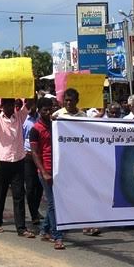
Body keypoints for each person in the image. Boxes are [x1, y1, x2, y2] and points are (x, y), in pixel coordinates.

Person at [51, 88, 100, 236]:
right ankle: (61, 224)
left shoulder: (83, 116)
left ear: (77, 101)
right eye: (66, 100)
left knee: (83, 193)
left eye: (71, 100)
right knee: (64, 195)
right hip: (62, 161)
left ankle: (86, 224)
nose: (68, 103)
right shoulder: (57, 115)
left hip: (79, 160)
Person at [0, 98, 35, 238]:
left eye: (11, 105)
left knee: (19, 194)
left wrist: (32, 86)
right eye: (7, 105)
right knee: (1, 193)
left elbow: (30, 102)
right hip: (3, 161)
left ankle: (21, 228)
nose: (9, 107)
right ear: (2, 106)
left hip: (18, 160)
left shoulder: (19, 116)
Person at [29, 97, 65, 250]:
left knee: (54, 203)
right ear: (39, 111)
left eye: (50, 109)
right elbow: (35, 153)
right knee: (53, 204)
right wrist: (43, 172)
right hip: (46, 171)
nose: (48, 112)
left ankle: (44, 230)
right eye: (45, 110)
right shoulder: (35, 129)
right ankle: (57, 236)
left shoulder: (55, 125)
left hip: (58, 169)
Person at [23, 98, 43, 227]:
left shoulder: (41, 117)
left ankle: (35, 209)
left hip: (40, 156)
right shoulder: (23, 119)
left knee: (39, 186)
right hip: (28, 156)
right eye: (28, 103)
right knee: (30, 187)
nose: (31, 106)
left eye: (33, 103)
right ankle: (34, 214)